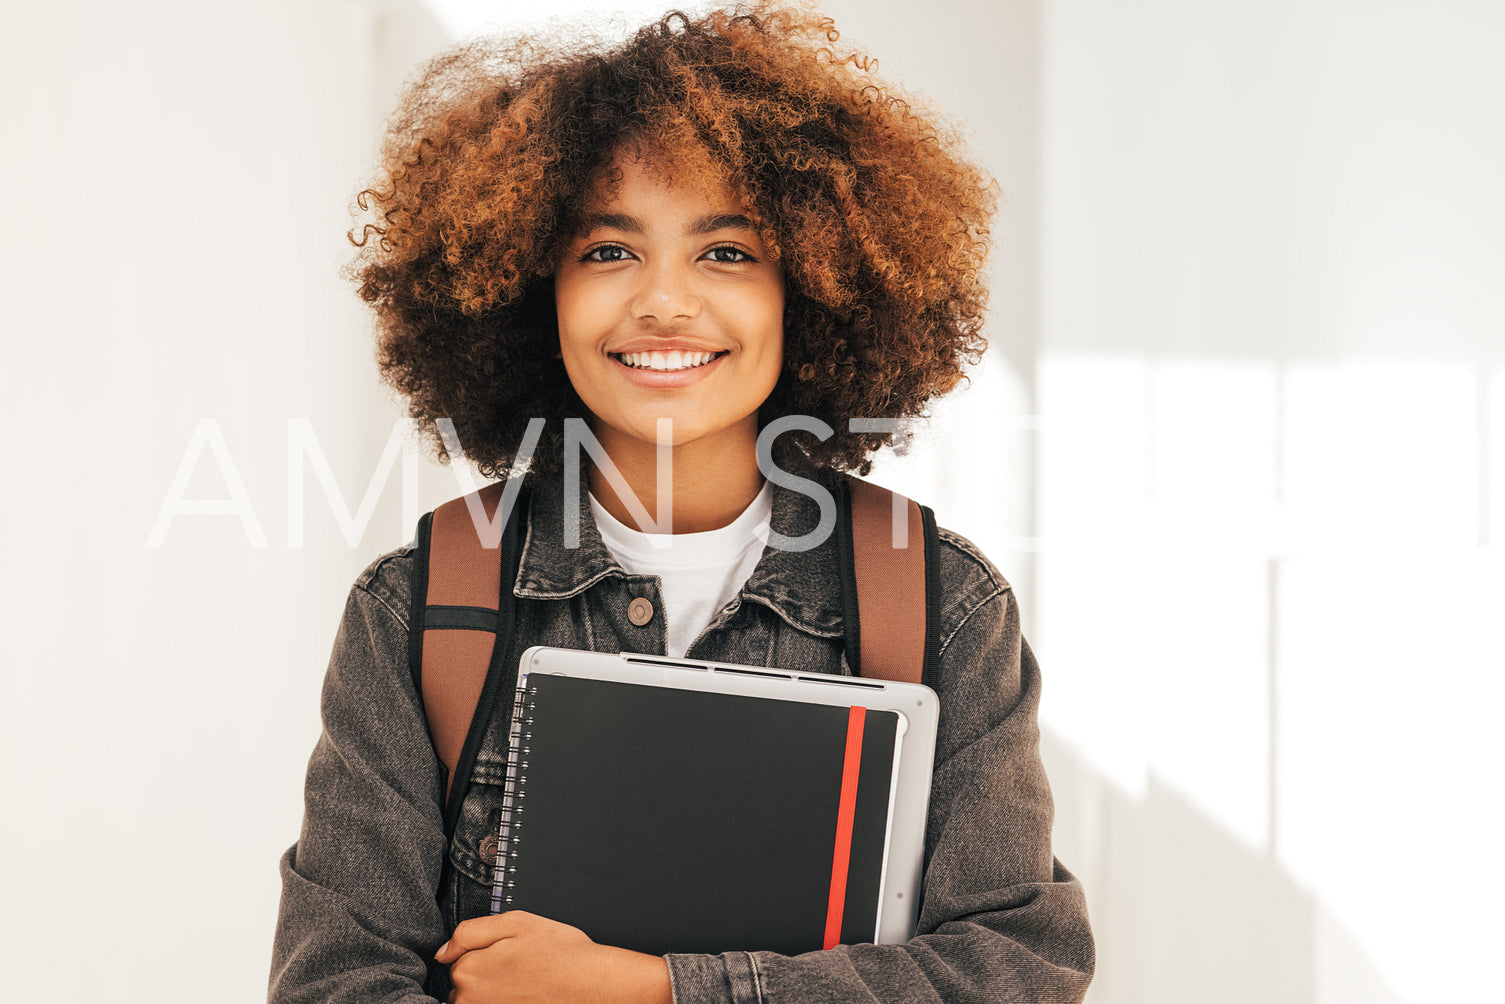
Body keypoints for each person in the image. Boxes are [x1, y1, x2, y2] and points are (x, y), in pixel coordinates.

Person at [269, 4, 1094, 1002]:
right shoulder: (417, 609)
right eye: (608, 251)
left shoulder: (941, 605)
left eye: (726, 252)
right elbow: (334, 980)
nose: (663, 300)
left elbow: (1015, 967)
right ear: (535, 290)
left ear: (814, 288)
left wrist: (649, 986)